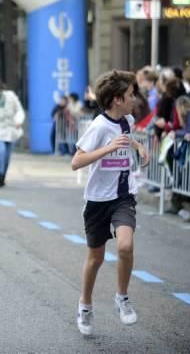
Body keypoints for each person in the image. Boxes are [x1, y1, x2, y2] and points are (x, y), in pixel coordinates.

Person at [71, 70, 150, 337]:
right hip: (97, 201)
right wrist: (107, 148)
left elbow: (125, 139)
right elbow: (76, 162)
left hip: (123, 196)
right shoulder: (98, 126)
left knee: (126, 245)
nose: (134, 98)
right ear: (116, 99)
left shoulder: (126, 120)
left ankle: (122, 297)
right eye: (130, 95)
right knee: (96, 258)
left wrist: (139, 148)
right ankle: (85, 305)